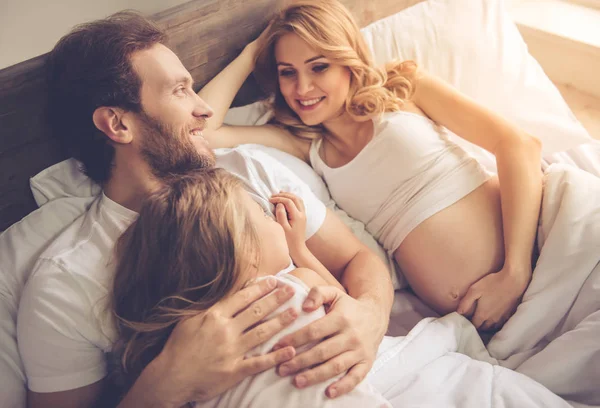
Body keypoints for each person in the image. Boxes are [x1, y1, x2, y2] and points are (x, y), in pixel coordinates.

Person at [16, 11, 394, 408]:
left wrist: (369, 317)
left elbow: (357, 258)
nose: (206, 110)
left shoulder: (246, 167)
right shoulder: (64, 285)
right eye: (180, 91)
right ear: (116, 123)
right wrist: (166, 384)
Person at [200, 0, 543, 330]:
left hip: (539, 252)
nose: (302, 88)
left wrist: (515, 272)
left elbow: (519, 145)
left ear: (347, 61)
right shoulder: (306, 144)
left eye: (319, 67)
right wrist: (252, 52)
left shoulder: (403, 86)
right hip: (488, 314)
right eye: (287, 73)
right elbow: (203, 131)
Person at [110, 168, 391, 407]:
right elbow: (345, 303)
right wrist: (299, 249)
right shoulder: (295, 286)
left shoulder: (184, 347)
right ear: (246, 250)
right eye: (264, 215)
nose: (273, 219)